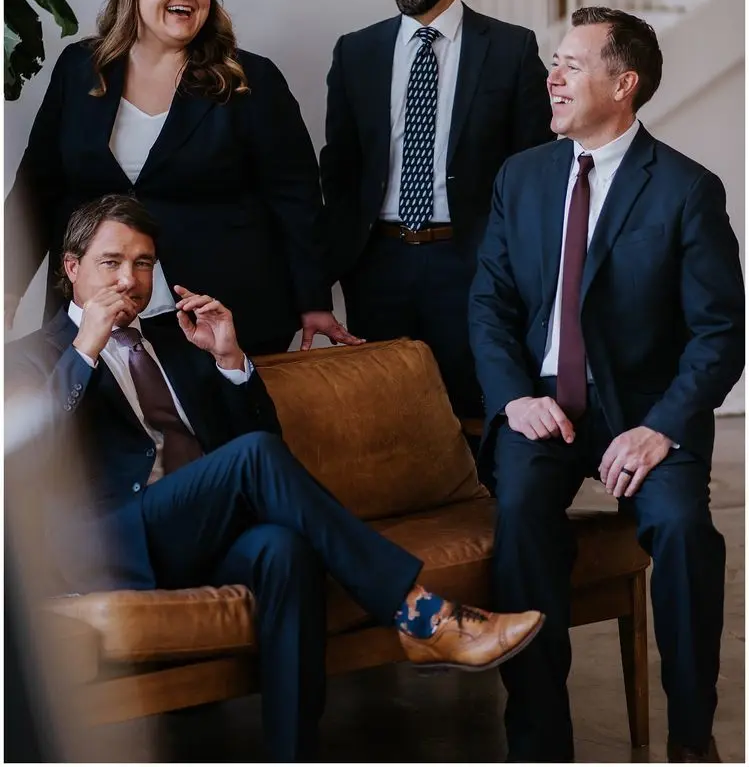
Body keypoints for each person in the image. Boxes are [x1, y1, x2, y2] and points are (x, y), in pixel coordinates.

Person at [6, 194, 544, 763]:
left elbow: (267, 448)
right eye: (111, 262)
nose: (130, 279)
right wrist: (87, 345)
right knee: (254, 459)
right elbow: (32, 459)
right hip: (111, 541)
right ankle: (418, 611)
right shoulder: (29, 358)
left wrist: (231, 360)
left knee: (284, 550)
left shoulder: (173, 339)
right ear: (72, 269)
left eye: (143, 263)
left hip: (196, 533)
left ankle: (293, 753)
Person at [469, 7, 745, 763]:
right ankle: (538, 740)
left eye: (570, 64)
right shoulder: (520, 177)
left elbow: (721, 332)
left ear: (622, 84)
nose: (550, 77)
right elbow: (488, 305)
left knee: (684, 530)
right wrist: (510, 397)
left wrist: (661, 426)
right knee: (521, 511)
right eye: (552, 62)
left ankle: (691, 737)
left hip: (645, 413)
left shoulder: (686, 189)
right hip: (542, 405)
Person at [5, 0, 361, 355]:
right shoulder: (81, 69)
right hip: (94, 314)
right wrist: (8, 288)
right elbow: (37, 185)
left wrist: (313, 300)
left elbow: (296, 199)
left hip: (220, 311)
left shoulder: (251, 80)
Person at [320, 0, 553, 419]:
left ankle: (484, 501)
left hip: (472, 262)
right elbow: (340, 170)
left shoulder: (511, 49)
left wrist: (512, 261)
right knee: (386, 412)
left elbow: (534, 168)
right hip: (379, 264)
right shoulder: (356, 52)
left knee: (474, 406)